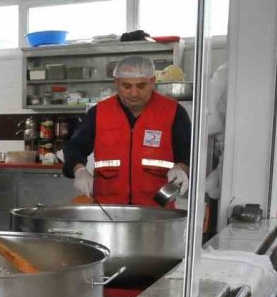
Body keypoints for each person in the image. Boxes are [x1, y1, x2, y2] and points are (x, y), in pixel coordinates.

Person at [63, 55, 191, 206]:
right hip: (108, 209)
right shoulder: (99, 113)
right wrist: (79, 171)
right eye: (127, 86)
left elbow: (188, 150)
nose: (134, 93)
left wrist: (181, 168)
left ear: (152, 81)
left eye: (141, 86)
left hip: (156, 210)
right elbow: (74, 147)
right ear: (116, 83)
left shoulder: (173, 112)